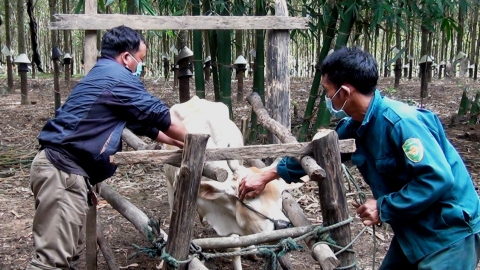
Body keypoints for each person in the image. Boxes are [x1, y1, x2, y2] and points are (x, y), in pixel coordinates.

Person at [239, 47, 480, 269]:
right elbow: (318, 153)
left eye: (327, 91)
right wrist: (267, 175)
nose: (327, 97)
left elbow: (436, 179)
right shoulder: (356, 125)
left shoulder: (401, 123)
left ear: (344, 92)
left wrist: (383, 206)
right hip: (414, 228)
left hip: (448, 232)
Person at [27, 26, 187, 270]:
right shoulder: (117, 78)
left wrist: (178, 142)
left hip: (59, 171)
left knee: (67, 256)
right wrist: (198, 140)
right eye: (140, 60)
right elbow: (159, 116)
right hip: (62, 173)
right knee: (50, 263)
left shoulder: (101, 75)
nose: (140, 67)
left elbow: (143, 123)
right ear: (126, 57)